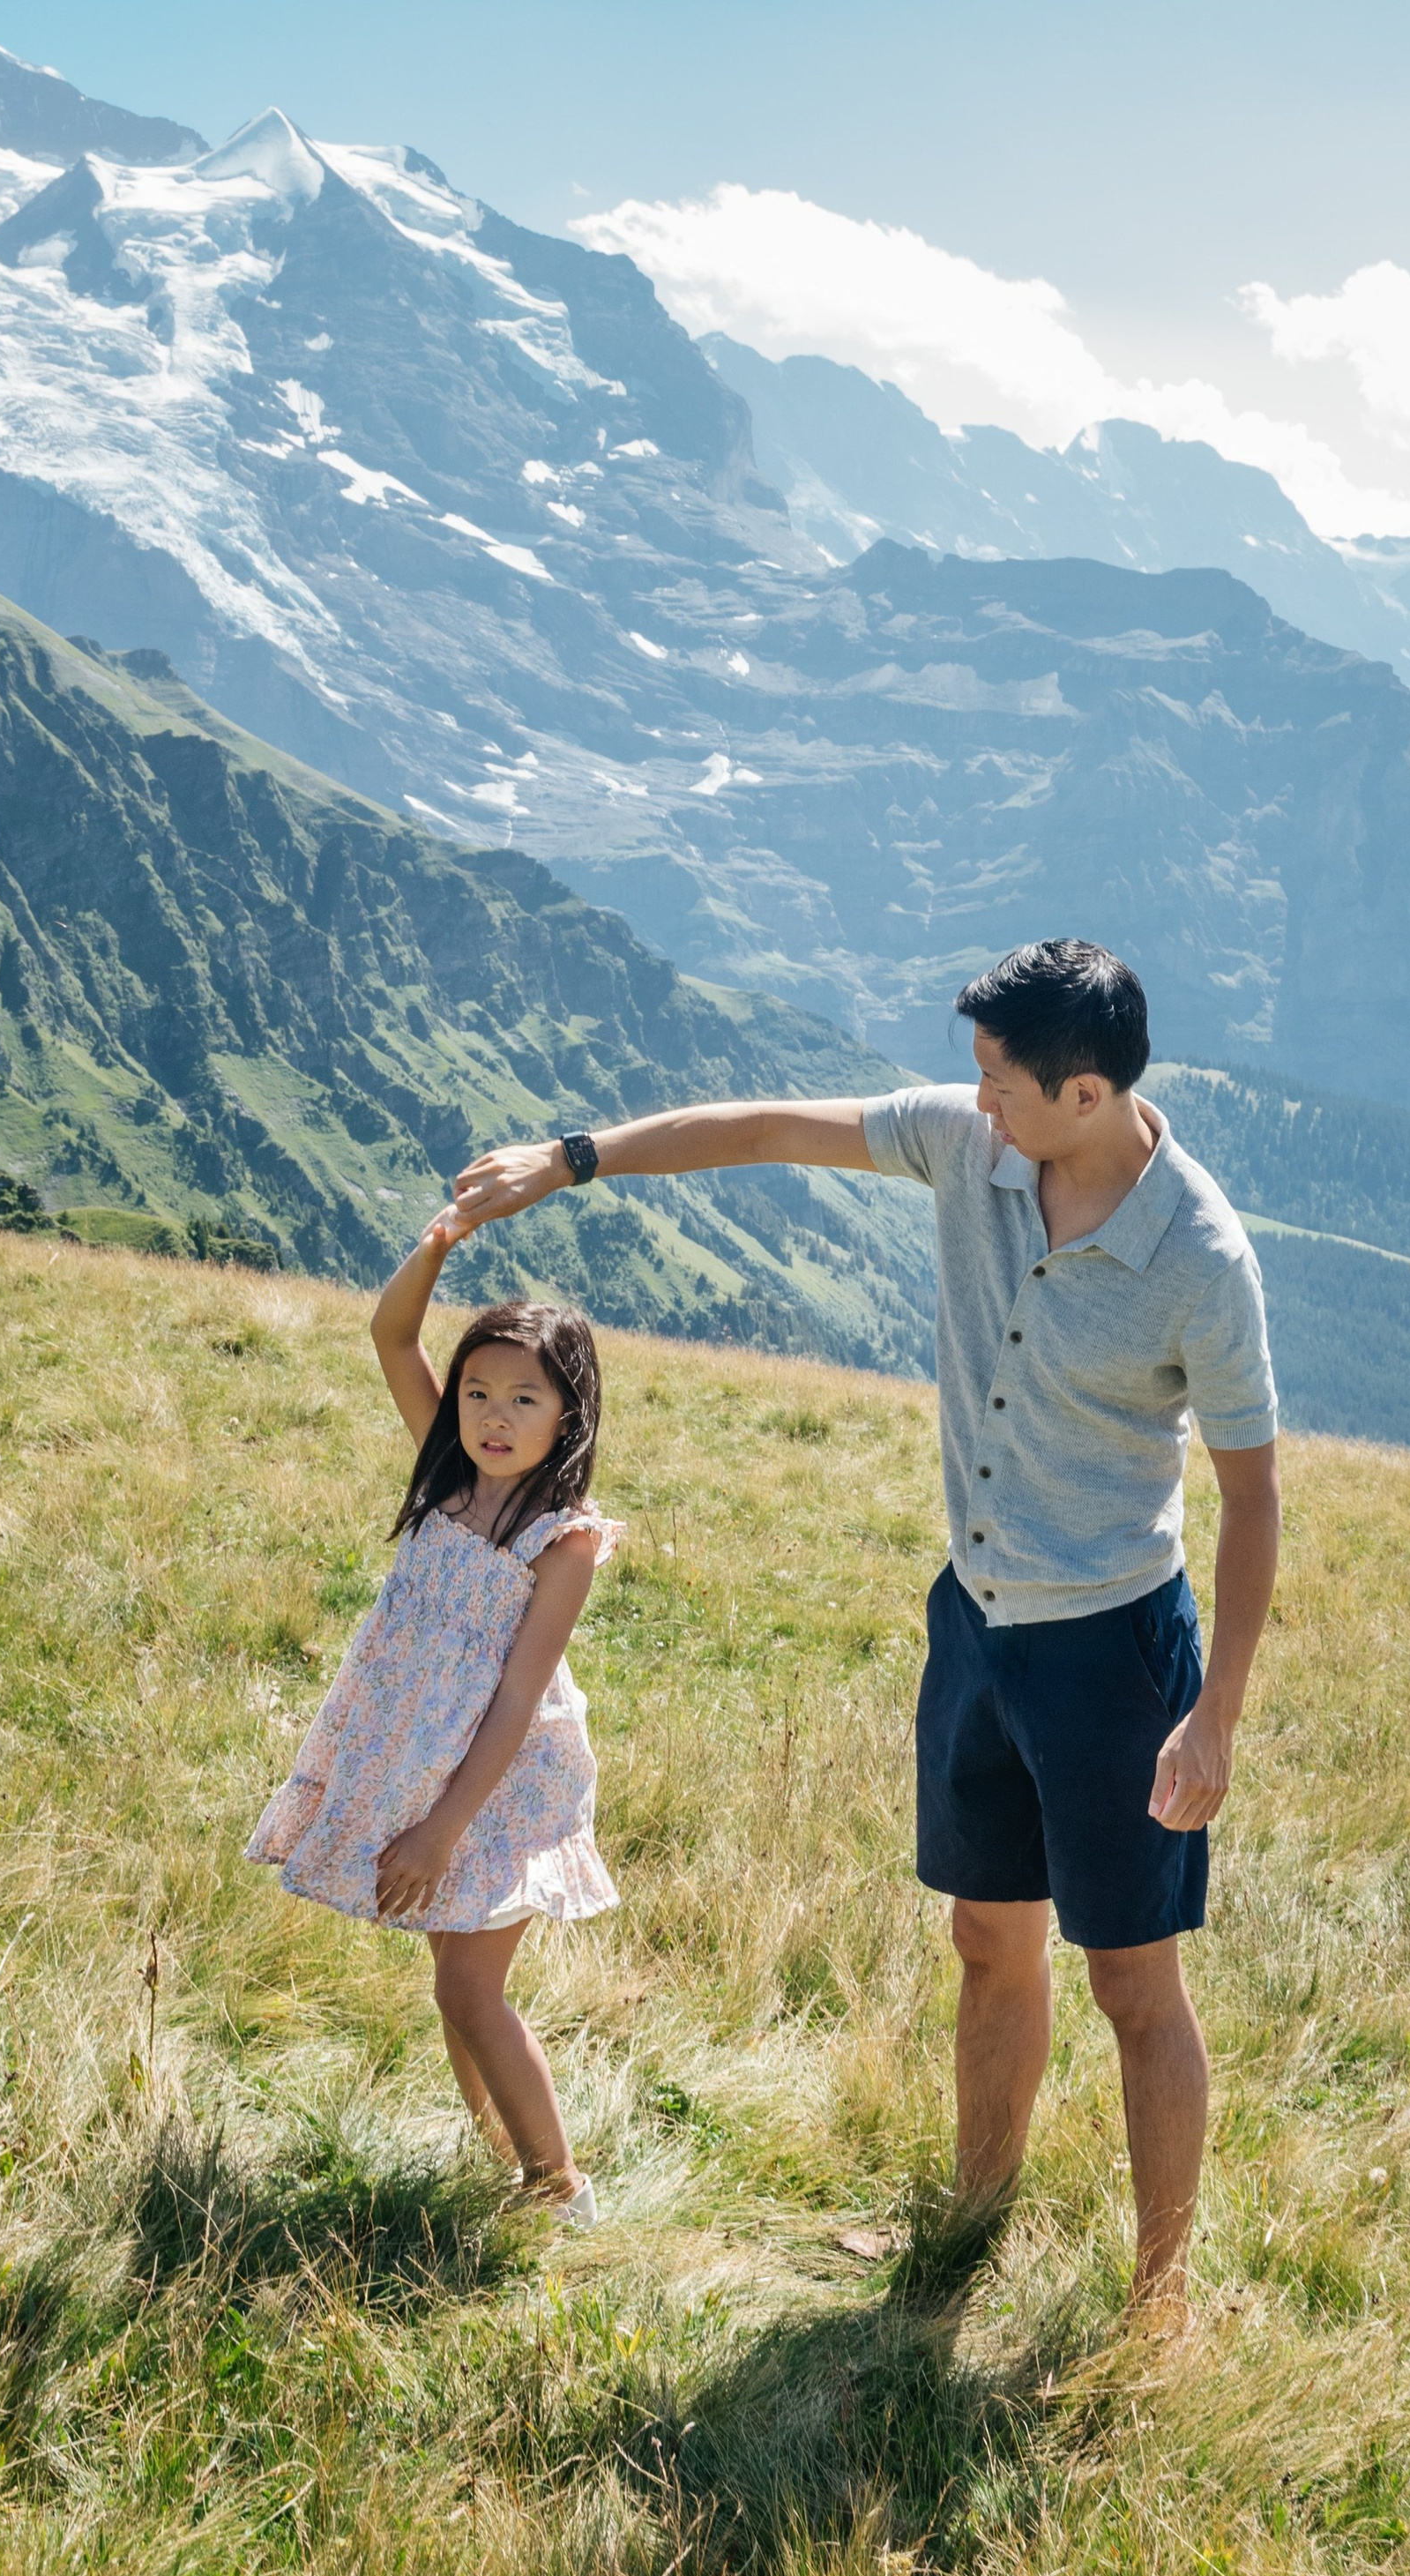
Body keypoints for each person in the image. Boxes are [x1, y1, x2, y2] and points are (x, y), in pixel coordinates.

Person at [450, 937, 1281, 2313]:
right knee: (987, 1939)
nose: (974, 1099)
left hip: (1114, 1653)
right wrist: (574, 1155)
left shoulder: (1200, 1254)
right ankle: (970, 2227)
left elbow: (1252, 1495)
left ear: (1085, 1091)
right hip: (977, 1628)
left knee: (1136, 1979)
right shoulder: (973, 1144)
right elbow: (772, 1125)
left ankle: (1161, 2293)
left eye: (1000, 1080)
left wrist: (1219, 1709)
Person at [242, 1210, 621, 2223]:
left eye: (524, 1398)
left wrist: (441, 1828)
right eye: (477, 1393)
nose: (493, 1416)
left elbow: (516, 1695)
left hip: (498, 1778)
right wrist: (439, 1246)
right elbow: (390, 1335)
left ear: (567, 1415)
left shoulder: (563, 1538)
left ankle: (559, 2189)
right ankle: (509, 2170)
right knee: (454, 1980)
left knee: (469, 1991)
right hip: (419, 1754)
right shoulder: (449, 1474)